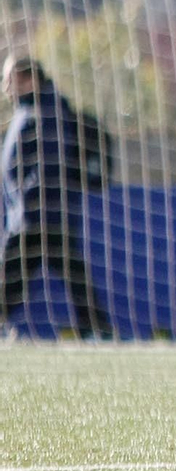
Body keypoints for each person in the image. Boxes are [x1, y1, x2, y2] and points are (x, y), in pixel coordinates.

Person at [1, 55, 115, 340]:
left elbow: (48, 166)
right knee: (66, 272)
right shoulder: (29, 111)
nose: (5, 87)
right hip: (35, 215)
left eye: (9, 79)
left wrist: (29, 207)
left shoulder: (47, 112)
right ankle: (97, 330)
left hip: (38, 215)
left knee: (13, 275)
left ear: (30, 79)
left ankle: (97, 330)